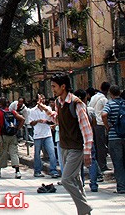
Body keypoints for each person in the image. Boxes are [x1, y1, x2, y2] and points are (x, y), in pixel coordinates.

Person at [51, 74, 93, 215]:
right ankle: (85, 211)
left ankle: (84, 208)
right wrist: (45, 109)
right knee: (75, 179)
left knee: (66, 180)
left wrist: (87, 151)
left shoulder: (76, 103)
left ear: (63, 87)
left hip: (76, 148)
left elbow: (86, 129)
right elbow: (58, 119)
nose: (52, 89)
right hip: (64, 146)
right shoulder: (58, 102)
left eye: (54, 86)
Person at [0, 96, 25, 179]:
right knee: (14, 153)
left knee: (1, 153)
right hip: (12, 135)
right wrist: (17, 129)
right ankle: (17, 171)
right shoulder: (12, 111)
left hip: (2, 136)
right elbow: (22, 119)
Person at [29, 94, 60, 178]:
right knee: (37, 154)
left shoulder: (48, 109)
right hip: (38, 134)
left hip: (47, 133)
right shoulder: (32, 111)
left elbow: (52, 120)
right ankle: (37, 170)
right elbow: (31, 123)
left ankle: (53, 170)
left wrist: (46, 121)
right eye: (40, 99)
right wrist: (37, 121)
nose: (42, 101)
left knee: (52, 152)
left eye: (43, 99)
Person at [102, 85, 125, 194]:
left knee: (118, 162)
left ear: (110, 93)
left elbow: (104, 114)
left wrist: (107, 126)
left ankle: (121, 187)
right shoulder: (124, 103)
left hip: (114, 137)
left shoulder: (109, 104)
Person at [89, 82, 111, 174]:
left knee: (97, 146)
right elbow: (106, 114)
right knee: (101, 146)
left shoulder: (94, 97)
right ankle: (103, 166)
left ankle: (98, 166)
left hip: (94, 124)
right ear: (108, 90)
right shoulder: (104, 99)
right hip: (101, 124)